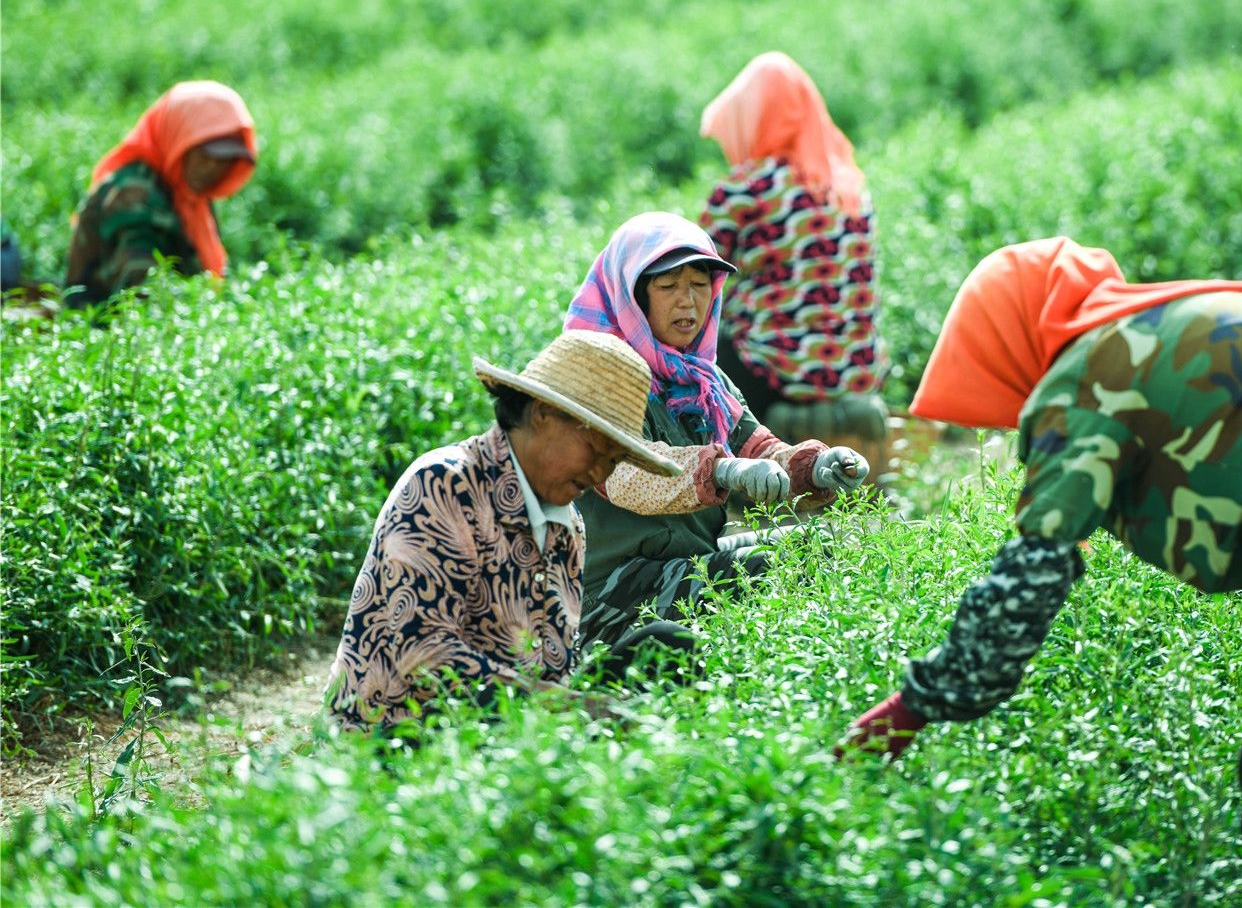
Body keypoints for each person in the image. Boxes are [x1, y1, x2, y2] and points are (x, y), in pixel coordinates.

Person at [840, 237, 1242, 908]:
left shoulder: (1084, 374)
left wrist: (912, 708)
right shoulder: (1154, 325)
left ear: (1006, 337)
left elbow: (1028, 580)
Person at [326, 330, 691, 732]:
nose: (601, 472)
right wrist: (565, 709)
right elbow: (422, 655)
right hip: (402, 730)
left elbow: (553, 667)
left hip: (514, 721)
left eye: (615, 459)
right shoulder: (444, 485)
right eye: (596, 449)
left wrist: (569, 710)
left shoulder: (568, 525)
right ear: (542, 414)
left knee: (668, 645)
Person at [565, 211, 871, 652]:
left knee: (824, 547)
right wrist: (724, 471)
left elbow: (757, 445)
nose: (688, 302)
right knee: (767, 569)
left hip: (687, 561)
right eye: (668, 286)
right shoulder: (596, 374)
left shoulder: (702, 379)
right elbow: (626, 478)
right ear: (631, 294)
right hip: (615, 589)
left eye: (700, 285)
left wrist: (817, 467)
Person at [698, 52, 890, 474]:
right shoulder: (849, 186)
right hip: (856, 368)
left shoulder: (747, 188)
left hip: (772, 372)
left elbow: (694, 273)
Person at [64, 80, 257, 309]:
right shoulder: (135, 194)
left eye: (224, 161)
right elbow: (141, 296)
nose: (213, 169)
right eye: (204, 156)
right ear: (178, 141)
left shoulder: (185, 193)